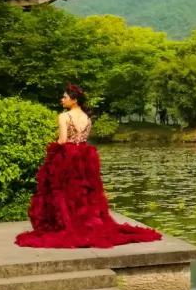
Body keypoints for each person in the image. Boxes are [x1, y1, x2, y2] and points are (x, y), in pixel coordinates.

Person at [15, 84, 162, 249]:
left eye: (64, 97)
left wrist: (52, 150)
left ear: (74, 99)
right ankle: (86, 224)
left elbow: (63, 140)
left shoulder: (64, 116)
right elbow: (83, 138)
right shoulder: (87, 117)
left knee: (64, 192)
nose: (61, 99)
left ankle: (67, 224)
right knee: (86, 193)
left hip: (67, 156)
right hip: (85, 157)